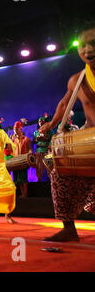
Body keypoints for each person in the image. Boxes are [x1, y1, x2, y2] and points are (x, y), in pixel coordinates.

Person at [39, 21, 95, 242]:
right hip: (89, 142)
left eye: (93, 43)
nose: (88, 49)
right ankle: (69, 228)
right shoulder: (77, 79)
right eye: (83, 45)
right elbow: (64, 105)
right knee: (60, 174)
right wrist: (51, 125)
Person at [10, 120, 32, 198]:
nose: (15, 130)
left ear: (21, 129)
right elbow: (10, 150)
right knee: (17, 179)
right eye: (14, 129)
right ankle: (22, 193)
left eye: (17, 128)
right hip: (16, 161)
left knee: (23, 177)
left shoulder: (26, 139)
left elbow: (30, 149)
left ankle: (25, 193)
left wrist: (30, 155)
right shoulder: (13, 140)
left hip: (23, 161)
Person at [33, 116, 53, 182]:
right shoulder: (36, 132)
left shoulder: (49, 131)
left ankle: (52, 182)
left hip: (47, 151)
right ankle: (39, 182)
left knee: (50, 168)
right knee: (38, 168)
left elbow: (52, 139)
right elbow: (34, 141)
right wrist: (37, 139)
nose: (41, 123)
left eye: (42, 122)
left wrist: (49, 145)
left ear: (45, 123)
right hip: (38, 151)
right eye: (39, 122)